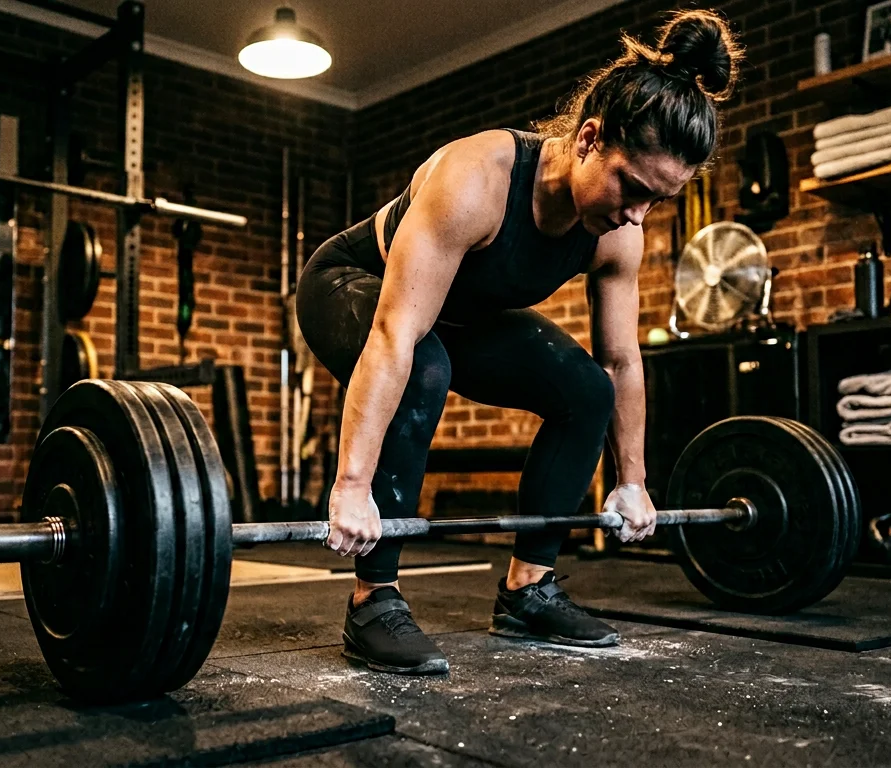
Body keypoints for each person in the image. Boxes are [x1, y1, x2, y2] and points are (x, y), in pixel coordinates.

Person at [296, 9, 743, 675]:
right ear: (590, 138)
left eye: (658, 201)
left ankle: (527, 589)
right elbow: (395, 333)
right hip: (352, 283)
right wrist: (352, 484)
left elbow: (620, 361)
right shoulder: (475, 180)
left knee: (585, 389)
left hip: (456, 315)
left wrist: (633, 482)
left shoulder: (618, 232)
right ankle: (373, 601)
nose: (635, 214)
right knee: (424, 366)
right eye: (633, 187)